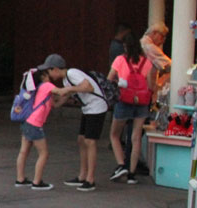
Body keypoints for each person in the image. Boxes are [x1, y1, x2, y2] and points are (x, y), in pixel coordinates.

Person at [43, 53, 106, 191]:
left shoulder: (72, 73)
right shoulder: (66, 80)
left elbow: (88, 87)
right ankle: (82, 175)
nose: (49, 75)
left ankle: (90, 179)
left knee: (90, 141)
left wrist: (69, 89)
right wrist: (54, 103)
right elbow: (66, 95)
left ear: (55, 69)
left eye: (49, 71)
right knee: (81, 140)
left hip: (96, 107)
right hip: (88, 108)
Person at [107, 33, 155, 185]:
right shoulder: (147, 62)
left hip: (124, 100)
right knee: (136, 137)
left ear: (125, 46)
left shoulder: (120, 60)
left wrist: (119, 82)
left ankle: (122, 165)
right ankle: (132, 174)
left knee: (114, 135)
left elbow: (109, 79)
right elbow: (151, 86)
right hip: (141, 102)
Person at [15, 69, 56, 190]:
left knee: (23, 151)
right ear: (43, 76)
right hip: (35, 124)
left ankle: (20, 179)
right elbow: (60, 91)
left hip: (26, 121)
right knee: (44, 153)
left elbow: (53, 104)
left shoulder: (36, 88)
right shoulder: (47, 85)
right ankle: (37, 182)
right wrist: (76, 88)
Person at [140, 22, 171, 89]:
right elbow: (169, 65)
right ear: (154, 33)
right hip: (146, 86)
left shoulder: (141, 42)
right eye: (162, 36)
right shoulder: (149, 47)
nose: (163, 40)